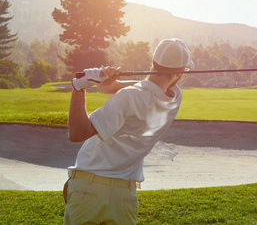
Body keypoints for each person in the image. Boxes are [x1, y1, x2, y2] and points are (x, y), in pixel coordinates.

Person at [63, 38, 194, 225]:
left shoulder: (128, 96)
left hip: (89, 189)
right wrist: (109, 84)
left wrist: (79, 87)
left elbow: (77, 133)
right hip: (125, 196)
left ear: (153, 62)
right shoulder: (174, 99)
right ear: (180, 72)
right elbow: (143, 88)